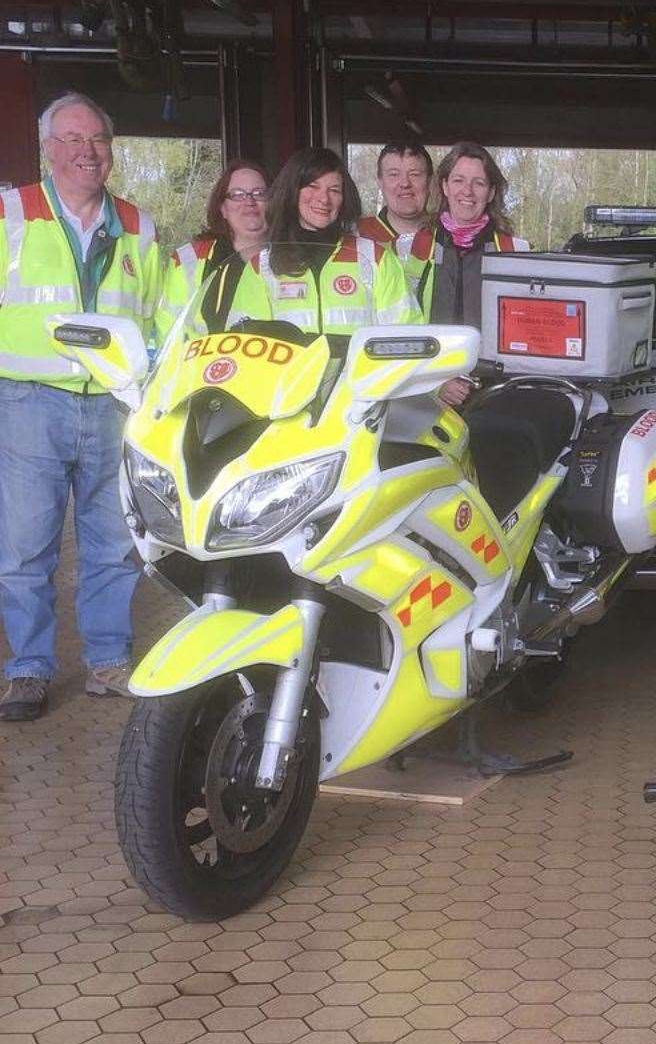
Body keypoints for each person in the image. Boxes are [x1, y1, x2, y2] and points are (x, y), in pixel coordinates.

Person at [0, 93, 162, 721]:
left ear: (111, 149)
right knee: (23, 547)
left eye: (96, 139)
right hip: (28, 401)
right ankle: (28, 670)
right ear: (47, 148)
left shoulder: (139, 227)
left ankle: (108, 661)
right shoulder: (11, 214)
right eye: (71, 139)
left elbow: (154, 317)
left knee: (114, 542)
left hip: (112, 406)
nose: (85, 152)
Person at [228, 146, 420, 338]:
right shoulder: (261, 267)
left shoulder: (375, 259)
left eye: (334, 190)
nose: (324, 198)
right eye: (312, 186)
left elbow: (407, 338)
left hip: (359, 369)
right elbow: (246, 344)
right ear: (292, 191)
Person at [429, 142, 531, 407]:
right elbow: (400, 328)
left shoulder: (515, 251)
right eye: (458, 180)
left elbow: (525, 334)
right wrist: (435, 383)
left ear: (491, 192)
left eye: (479, 183)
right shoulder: (411, 249)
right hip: (426, 392)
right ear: (444, 186)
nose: (467, 191)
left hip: (496, 395)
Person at [154, 159, 268, 341]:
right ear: (223, 208)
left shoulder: (292, 259)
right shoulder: (188, 260)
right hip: (202, 365)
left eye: (259, 193)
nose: (250, 202)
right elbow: (169, 334)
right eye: (238, 194)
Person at [358, 140, 437, 310]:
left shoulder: (448, 237)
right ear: (379, 181)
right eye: (393, 174)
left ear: (430, 182)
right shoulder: (356, 235)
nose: (405, 183)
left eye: (415, 174)